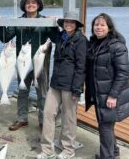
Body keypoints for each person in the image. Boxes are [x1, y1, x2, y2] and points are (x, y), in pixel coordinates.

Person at [85, 13, 129, 159]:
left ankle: (106, 156)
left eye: (102, 25)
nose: (99, 27)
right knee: (107, 125)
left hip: (109, 95)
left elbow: (123, 73)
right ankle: (114, 153)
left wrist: (113, 95)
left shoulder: (117, 46)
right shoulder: (94, 44)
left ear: (109, 27)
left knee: (105, 127)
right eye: (96, 25)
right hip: (99, 94)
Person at [0, 0, 53, 131]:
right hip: (22, 63)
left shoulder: (45, 21)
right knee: (22, 92)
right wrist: (0, 24)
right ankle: (22, 119)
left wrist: (54, 24)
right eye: (28, 3)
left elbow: (56, 38)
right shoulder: (18, 21)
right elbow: (5, 38)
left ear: (38, 6)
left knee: (43, 93)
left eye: (34, 3)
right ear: (24, 6)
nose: (31, 4)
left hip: (41, 63)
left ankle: (43, 121)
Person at [38, 11, 87, 159]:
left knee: (68, 118)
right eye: (66, 22)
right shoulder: (61, 36)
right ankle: (47, 150)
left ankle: (68, 150)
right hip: (55, 83)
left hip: (71, 85)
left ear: (76, 24)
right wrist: (51, 22)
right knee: (48, 113)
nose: (68, 24)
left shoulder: (81, 40)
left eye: (72, 22)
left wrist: (77, 89)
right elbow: (53, 34)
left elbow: (81, 67)